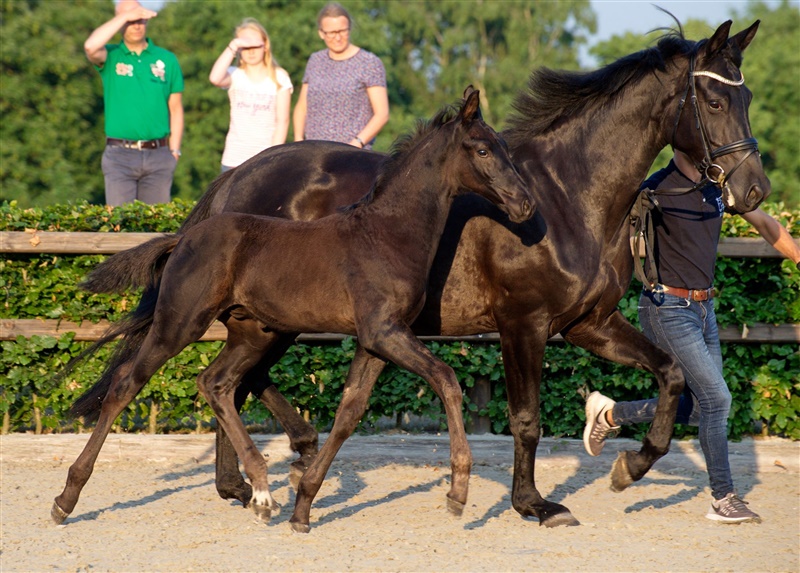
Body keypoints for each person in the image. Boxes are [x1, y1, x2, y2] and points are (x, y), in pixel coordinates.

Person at [583, 149, 800, 524]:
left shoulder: (718, 186)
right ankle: (723, 498)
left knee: (702, 408)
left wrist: (798, 257)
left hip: (704, 310)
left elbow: (764, 223)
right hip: (666, 309)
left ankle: (612, 413)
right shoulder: (655, 189)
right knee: (718, 398)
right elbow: (604, 228)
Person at [84, 0, 184, 206]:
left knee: (156, 222)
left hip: (159, 155)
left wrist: (174, 151)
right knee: (119, 220)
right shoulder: (111, 56)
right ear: (119, 22)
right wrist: (125, 15)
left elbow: (176, 108)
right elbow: (90, 46)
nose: (136, 25)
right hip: (119, 155)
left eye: (140, 19)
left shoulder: (166, 59)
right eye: (130, 20)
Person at [292, 2, 389, 149]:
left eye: (342, 31)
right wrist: (299, 140)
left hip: (352, 154)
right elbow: (302, 107)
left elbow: (382, 114)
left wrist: (356, 143)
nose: (337, 38)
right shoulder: (315, 60)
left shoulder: (369, 62)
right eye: (331, 32)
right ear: (321, 33)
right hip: (313, 151)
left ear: (349, 29)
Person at [209, 18, 293, 172]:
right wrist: (234, 45)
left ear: (265, 46)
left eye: (255, 45)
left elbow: (282, 121)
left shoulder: (280, 77)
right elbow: (215, 78)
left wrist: (273, 158)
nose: (251, 51)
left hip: (265, 160)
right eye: (245, 47)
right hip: (233, 160)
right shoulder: (235, 75)